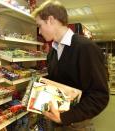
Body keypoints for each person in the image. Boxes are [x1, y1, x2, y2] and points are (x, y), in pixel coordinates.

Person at [31, 0, 109, 130]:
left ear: (50, 20)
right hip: (57, 121)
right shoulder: (53, 52)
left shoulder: (86, 48)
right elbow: (61, 82)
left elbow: (100, 96)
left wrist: (66, 117)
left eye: (40, 25)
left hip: (77, 124)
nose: (39, 31)